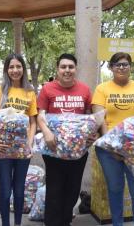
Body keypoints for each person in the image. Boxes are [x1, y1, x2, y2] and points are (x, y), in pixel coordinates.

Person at [91, 52, 134, 226]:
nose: (121, 67)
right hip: (110, 151)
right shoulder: (102, 89)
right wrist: (113, 147)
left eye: (125, 64)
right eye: (117, 64)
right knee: (115, 190)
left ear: (130, 67)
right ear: (111, 67)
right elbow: (100, 119)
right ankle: (117, 223)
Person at [37, 53, 92, 226]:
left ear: (75, 69)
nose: (67, 70)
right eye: (63, 67)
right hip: (54, 150)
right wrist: (46, 131)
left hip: (78, 151)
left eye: (70, 67)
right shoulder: (47, 89)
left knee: (73, 190)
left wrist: (92, 133)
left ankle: (65, 220)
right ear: (57, 69)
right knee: (54, 189)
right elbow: (40, 114)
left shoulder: (84, 90)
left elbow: (90, 116)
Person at [0, 53, 37, 226]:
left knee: (20, 191)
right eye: (11, 67)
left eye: (18, 66)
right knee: (6, 192)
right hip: (2, 149)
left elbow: (33, 121)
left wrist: (29, 144)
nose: (15, 70)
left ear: (23, 69)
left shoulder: (30, 92)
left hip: (23, 150)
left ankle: (17, 224)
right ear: (6, 70)